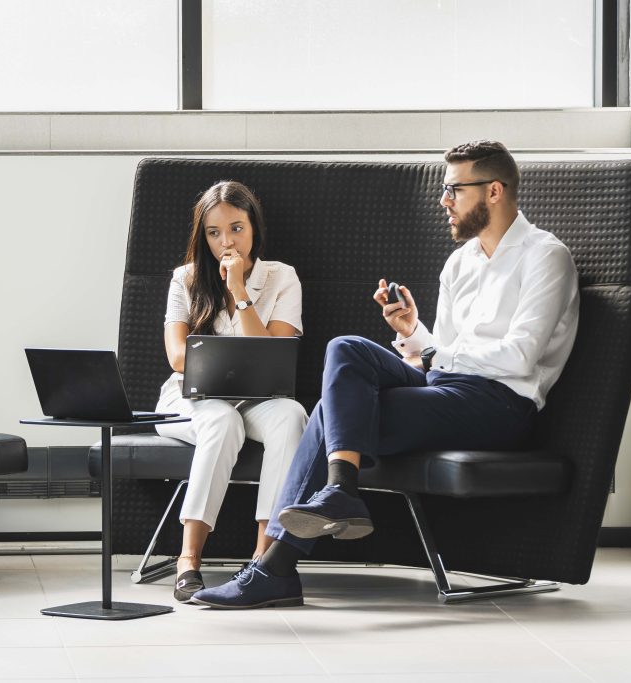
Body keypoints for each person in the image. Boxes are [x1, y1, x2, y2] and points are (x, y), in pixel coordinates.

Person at [192, 140, 580, 609]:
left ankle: (277, 565)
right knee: (346, 349)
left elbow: (519, 356)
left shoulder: (544, 256)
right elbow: (443, 352)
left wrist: (437, 356)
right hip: (447, 389)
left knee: (331, 412)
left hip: (502, 404)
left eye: (454, 190)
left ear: (493, 191)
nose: (444, 201)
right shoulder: (460, 263)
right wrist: (413, 332)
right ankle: (338, 492)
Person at [155, 180, 308, 603]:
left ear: (253, 227)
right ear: (202, 236)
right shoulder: (185, 279)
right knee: (222, 422)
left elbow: (271, 353)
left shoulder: (282, 278)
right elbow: (178, 358)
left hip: (257, 396)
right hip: (194, 396)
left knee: (293, 415)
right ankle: (189, 560)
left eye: (236, 228)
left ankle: (265, 560)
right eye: (214, 232)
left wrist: (239, 290)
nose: (226, 241)